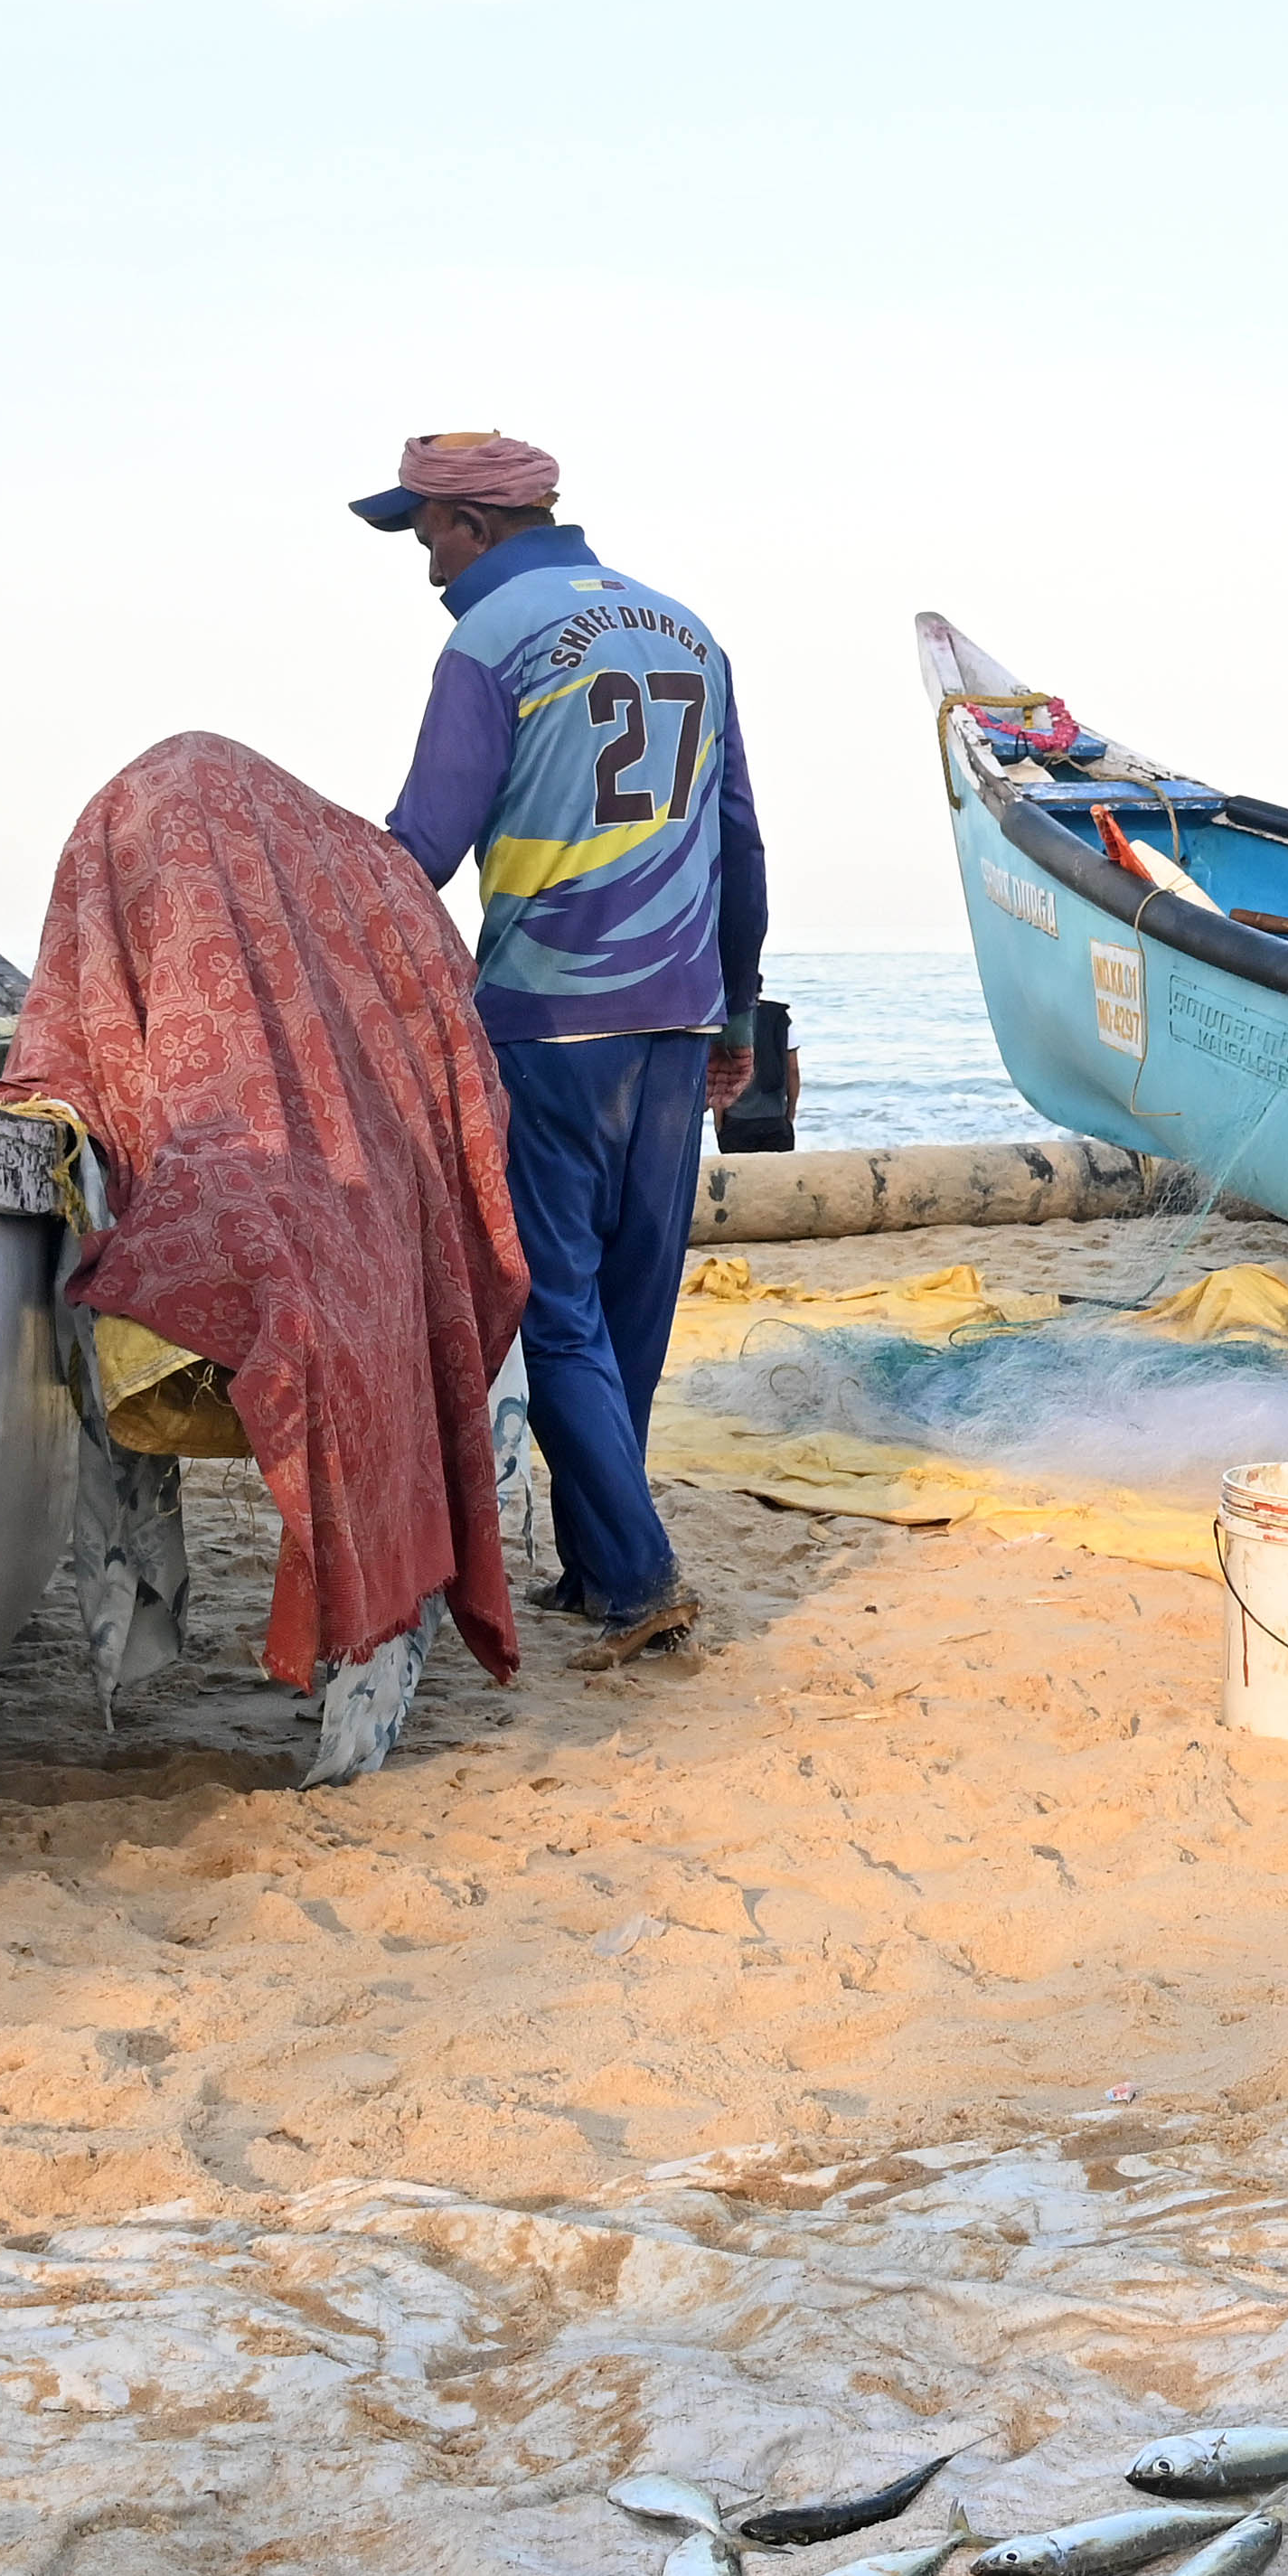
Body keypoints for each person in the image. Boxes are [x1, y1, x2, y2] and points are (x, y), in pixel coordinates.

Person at [368, 428, 773, 1667]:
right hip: (674, 1016)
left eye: (428, 529)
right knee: (632, 1301)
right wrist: (739, 1012)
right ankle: (601, 1564)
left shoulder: (487, 639)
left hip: (548, 1017)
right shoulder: (690, 630)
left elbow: (424, 845)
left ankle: (642, 1574)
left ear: (478, 526)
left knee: (552, 1306)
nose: (424, 559)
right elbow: (739, 843)